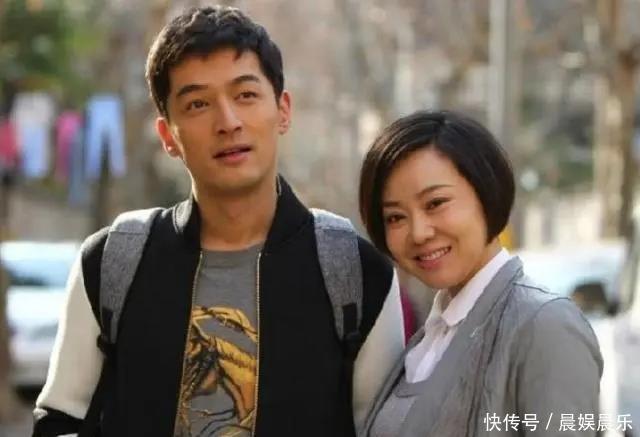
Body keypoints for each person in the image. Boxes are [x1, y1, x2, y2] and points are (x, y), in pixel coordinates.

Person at [32, 6, 404, 437]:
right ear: (168, 136)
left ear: (283, 110)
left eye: (245, 95)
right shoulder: (113, 263)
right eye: (198, 104)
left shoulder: (355, 272)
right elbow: (59, 419)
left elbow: (387, 430)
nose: (228, 122)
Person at [357, 110, 603, 436]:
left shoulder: (544, 325)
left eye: (435, 203)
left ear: (486, 193)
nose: (418, 232)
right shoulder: (430, 338)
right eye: (395, 217)